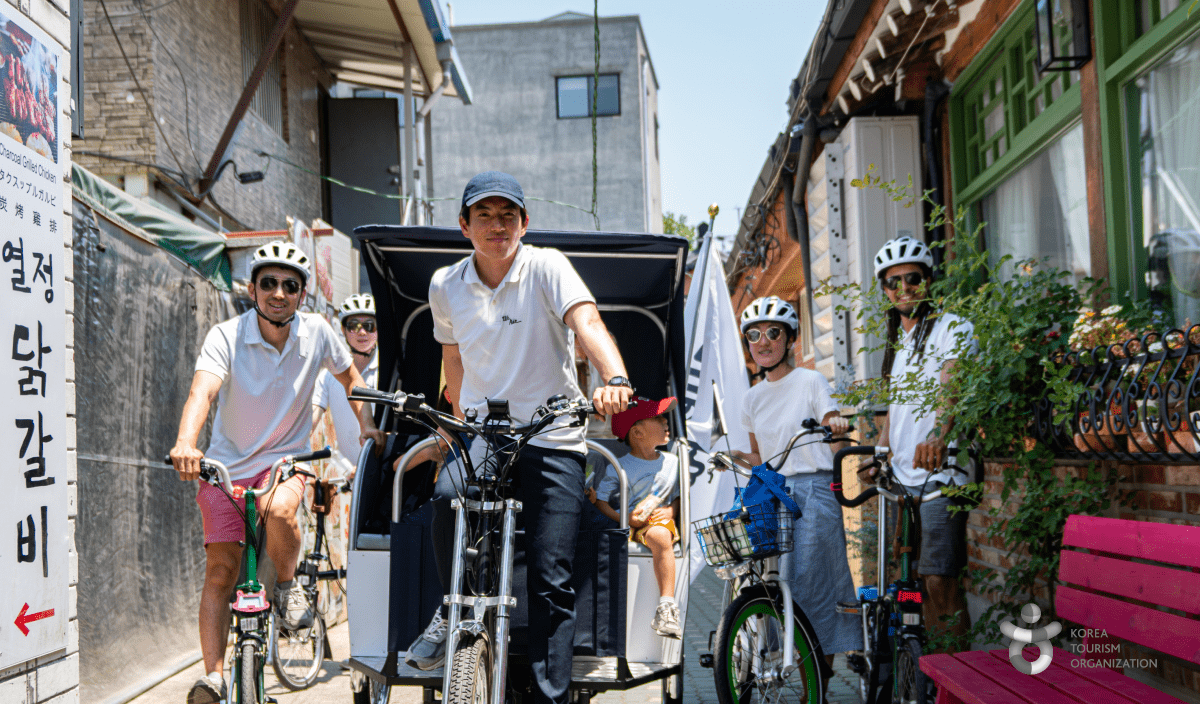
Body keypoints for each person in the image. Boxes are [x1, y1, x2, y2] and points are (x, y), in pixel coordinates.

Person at [414, 171, 632, 703]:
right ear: (464, 226)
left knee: (551, 579)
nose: (496, 225)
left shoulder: (546, 266)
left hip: (552, 433)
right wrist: (459, 421)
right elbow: (452, 354)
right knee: (444, 501)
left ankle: (550, 694)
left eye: (507, 215)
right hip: (487, 435)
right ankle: (454, 605)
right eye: (484, 216)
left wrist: (615, 378)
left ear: (524, 224)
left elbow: (588, 323)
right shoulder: (445, 285)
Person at [169, 241, 385, 704]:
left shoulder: (319, 333)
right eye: (269, 283)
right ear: (253, 289)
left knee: (280, 508)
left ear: (302, 294)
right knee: (220, 572)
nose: (279, 293)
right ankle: (214, 677)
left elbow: (352, 381)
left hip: (285, 462)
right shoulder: (226, 335)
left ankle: (286, 589)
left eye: (290, 285)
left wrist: (367, 425)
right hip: (225, 468)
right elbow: (201, 393)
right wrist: (187, 442)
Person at [731, 295, 862, 690]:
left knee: (816, 584)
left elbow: (831, 426)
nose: (764, 341)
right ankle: (777, 660)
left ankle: (817, 682)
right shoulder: (751, 397)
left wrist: (844, 443)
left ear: (790, 339)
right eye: (754, 335)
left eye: (774, 332)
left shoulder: (810, 380)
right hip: (771, 494)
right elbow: (760, 453)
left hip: (813, 491)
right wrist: (736, 457)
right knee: (773, 585)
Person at [863, 235, 975, 648]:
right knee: (907, 581)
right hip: (903, 478)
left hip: (941, 475)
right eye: (894, 283)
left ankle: (956, 675)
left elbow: (953, 388)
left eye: (912, 278)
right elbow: (897, 409)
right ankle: (923, 665)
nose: (903, 288)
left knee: (939, 578)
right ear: (885, 290)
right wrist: (879, 451)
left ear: (928, 280)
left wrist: (937, 436)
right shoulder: (901, 344)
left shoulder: (952, 328)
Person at [586, 396, 682, 639]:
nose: (665, 421)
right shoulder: (619, 466)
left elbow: (681, 497)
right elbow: (602, 502)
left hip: (659, 522)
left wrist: (671, 511)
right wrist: (624, 518)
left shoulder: (673, 462)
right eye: (657, 418)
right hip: (632, 524)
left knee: (660, 534)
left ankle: (667, 606)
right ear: (637, 433)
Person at [312, 293, 380, 476]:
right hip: (349, 473)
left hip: (384, 469)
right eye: (353, 326)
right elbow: (312, 415)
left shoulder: (389, 372)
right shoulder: (329, 376)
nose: (362, 332)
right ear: (342, 330)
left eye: (369, 326)